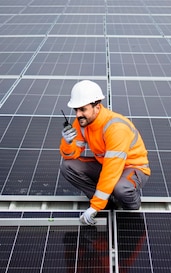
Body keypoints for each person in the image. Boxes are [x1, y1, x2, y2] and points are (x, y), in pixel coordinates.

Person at [59, 80, 150, 225]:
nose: (78, 114)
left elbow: (111, 170)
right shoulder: (83, 122)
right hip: (106, 164)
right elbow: (71, 155)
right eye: (76, 109)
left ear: (97, 106)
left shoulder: (116, 128)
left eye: (82, 109)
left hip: (132, 168)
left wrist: (94, 207)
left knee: (121, 189)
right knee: (68, 166)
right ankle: (106, 203)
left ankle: (131, 209)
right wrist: (68, 143)